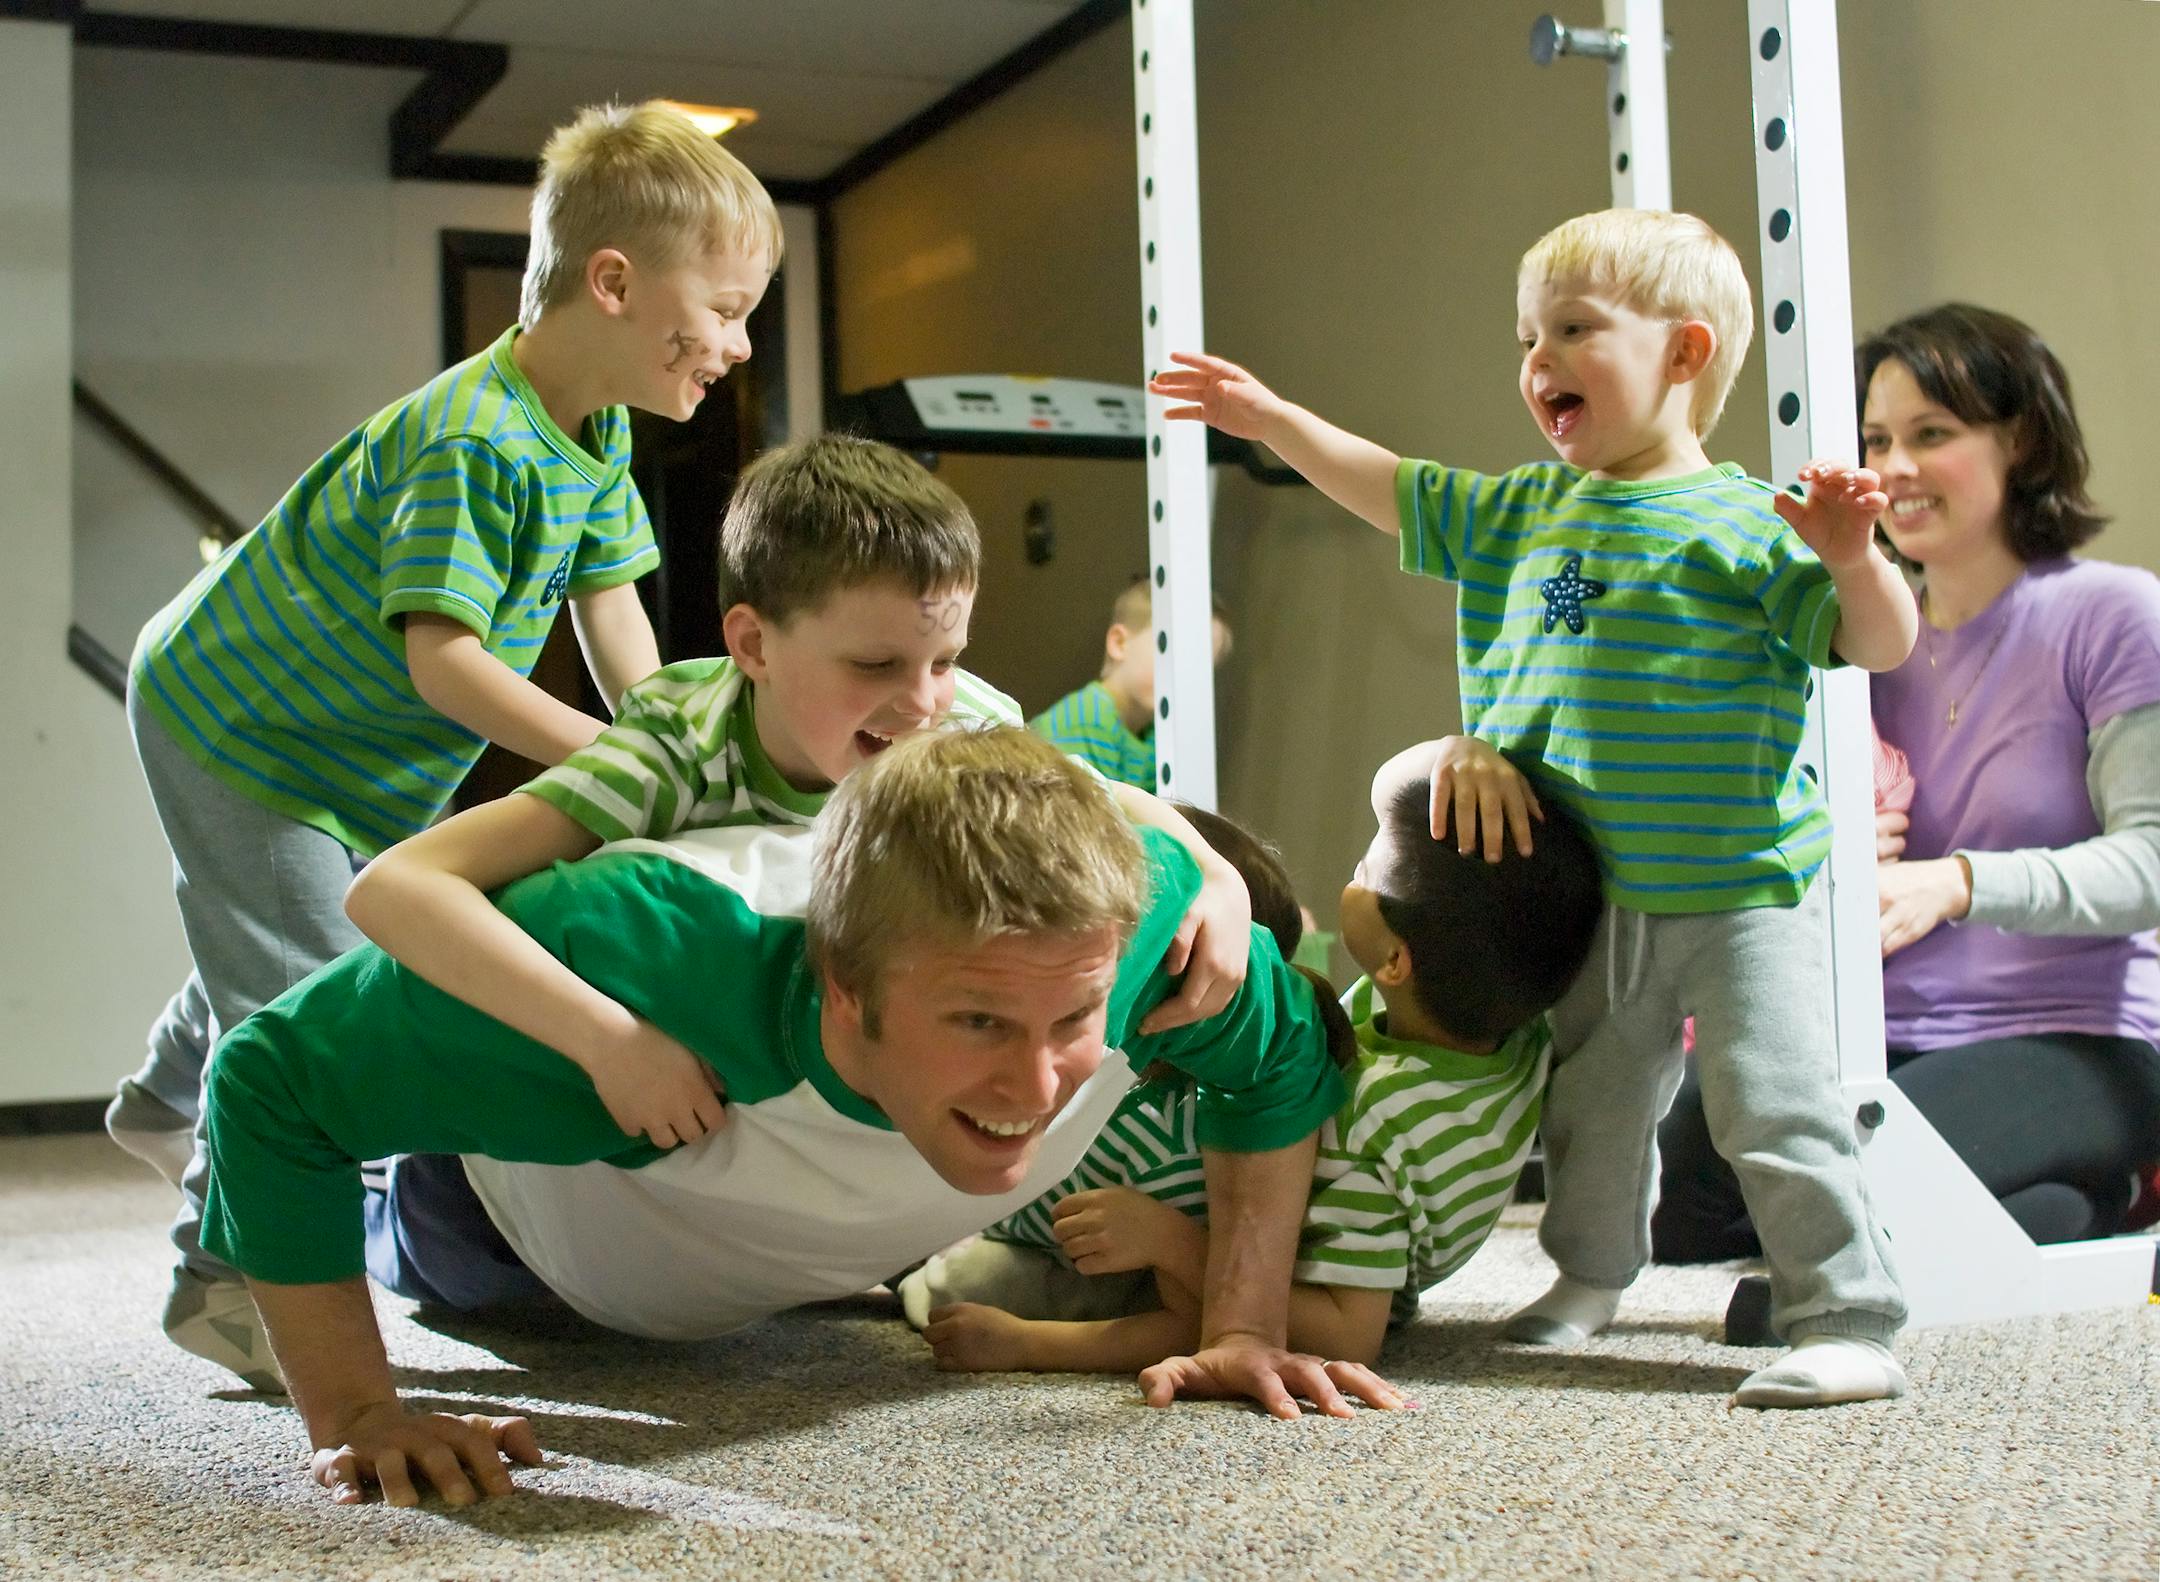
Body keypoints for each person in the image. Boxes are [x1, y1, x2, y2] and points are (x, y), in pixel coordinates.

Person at [199, 727, 1400, 1508]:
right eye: (979, 1023)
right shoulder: (633, 952)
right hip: (522, 1242)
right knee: (360, 1211)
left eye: (1068, 1025)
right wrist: (357, 1406)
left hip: (784, 1252)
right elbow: (267, 1083)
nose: (1041, 1087)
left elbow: (1282, 1062)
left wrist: (1241, 1324)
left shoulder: (1156, 943)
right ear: (844, 985)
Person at [1146, 207, 1919, 1408]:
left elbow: (1876, 642)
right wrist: (1271, 421)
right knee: (1593, 1113)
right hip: (1585, 899)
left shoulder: (1746, 524)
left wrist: (1854, 558)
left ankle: (1848, 1313)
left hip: (1739, 892)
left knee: (1774, 1104)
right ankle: (1592, 1275)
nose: (1538, 361)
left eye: (1573, 330)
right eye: (1526, 339)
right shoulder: (1521, 513)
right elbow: (1390, 487)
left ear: (1685, 353)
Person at [104, 100, 780, 1390]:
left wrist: (673, 755)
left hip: (354, 754)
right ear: (617, 281)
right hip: (240, 725)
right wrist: (613, 768)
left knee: (295, 929)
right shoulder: (473, 438)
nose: (740, 347)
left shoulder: (598, 433)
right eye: (729, 308)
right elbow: (448, 661)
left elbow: (613, 606)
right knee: (310, 1002)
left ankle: (160, 1094)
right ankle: (217, 1277)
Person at [1654, 303, 2160, 1256]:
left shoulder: (2114, 614)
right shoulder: (1862, 633)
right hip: (1886, 1033)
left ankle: (2075, 1176)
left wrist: (1955, 882)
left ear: (2021, 441)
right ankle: (2068, 1203)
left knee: (1806, 1277)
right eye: (1878, 440)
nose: (1895, 468)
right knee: (1666, 1208)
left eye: (1934, 434)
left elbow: (2153, 861)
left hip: (2082, 1037)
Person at [907, 738, 1604, 1374]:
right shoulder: (1510, 1024)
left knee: (971, 1282)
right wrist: (1460, 751)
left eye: (1367, 870)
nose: (1353, 878)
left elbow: (1344, 1336)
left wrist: (1169, 1242)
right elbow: (1390, 787)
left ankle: (986, 1298)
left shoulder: (1375, 1131)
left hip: (1216, 1258)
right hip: (1242, 1213)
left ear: (1395, 960)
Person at [1029, 575, 1233, 791]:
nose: (1185, 680)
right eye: (1175, 655)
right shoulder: (1089, 720)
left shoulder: (1155, 735)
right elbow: (1090, 818)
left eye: (1199, 669)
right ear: (1120, 643)